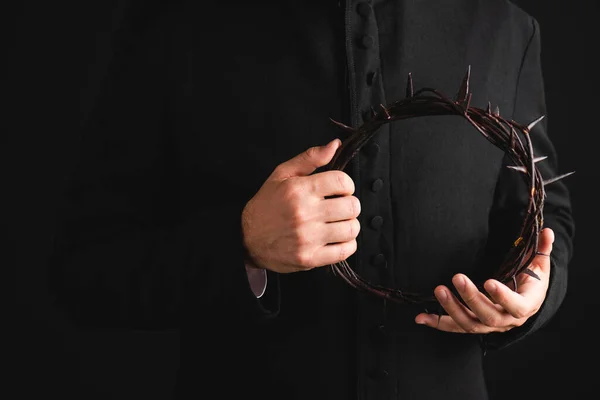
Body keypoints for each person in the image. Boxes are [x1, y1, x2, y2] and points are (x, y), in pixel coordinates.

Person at [47, 0, 575, 399]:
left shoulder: (505, 27)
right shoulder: (176, 24)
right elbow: (85, 271)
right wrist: (243, 246)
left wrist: (530, 295)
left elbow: (546, 215)